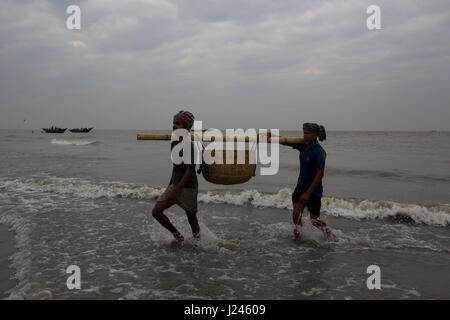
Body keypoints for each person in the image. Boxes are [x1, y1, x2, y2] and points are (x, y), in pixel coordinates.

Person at [152, 111, 200, 246]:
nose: (174, 126)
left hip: (188, 188)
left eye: (178, 124)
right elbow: (176, 166)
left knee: (192, 218)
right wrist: (170, 185)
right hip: (176, 184)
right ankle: (178, 236)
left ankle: (198, 243)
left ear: (186, 127)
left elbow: (189, 171)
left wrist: (176, 190)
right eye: (173, 123)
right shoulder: (174, 143)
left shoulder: (189, 145)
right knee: (156, 212)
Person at [290, 123, 334, 239]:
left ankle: (331, 235)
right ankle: (298, 236)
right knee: (296, 213)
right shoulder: (303, 146)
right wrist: (271, 136)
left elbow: (320, 174)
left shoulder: (319, 152)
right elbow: (286, 141)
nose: (305, 136)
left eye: (308, 133)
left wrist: (308, 194)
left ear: (315, 135)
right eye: (304, 133)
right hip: (300, 186)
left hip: (314, 190)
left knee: (314, 221)